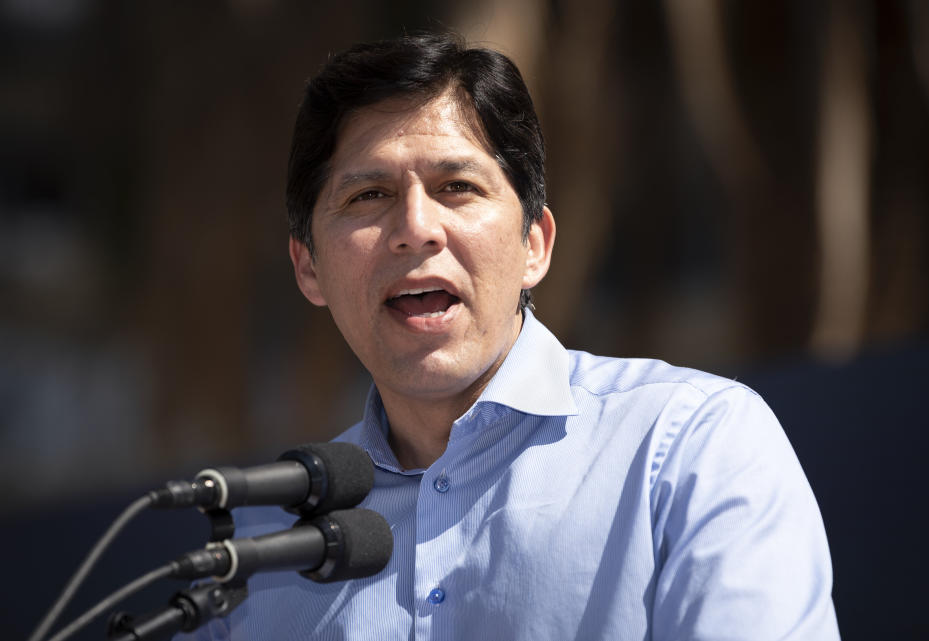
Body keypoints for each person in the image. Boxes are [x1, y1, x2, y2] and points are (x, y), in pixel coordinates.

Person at [184, 32, 840, 640]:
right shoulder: (263, 544)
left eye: (457, 187)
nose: (416, 227)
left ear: (535, 244)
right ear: (308, 265)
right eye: (369, 196)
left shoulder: (692, 449)